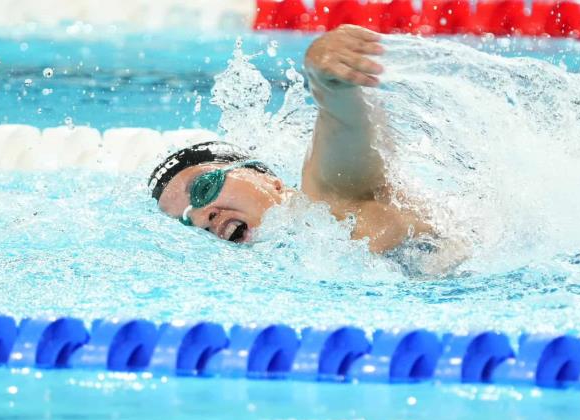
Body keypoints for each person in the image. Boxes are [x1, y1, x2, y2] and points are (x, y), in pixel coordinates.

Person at [149, 25, 437, 256]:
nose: (203, 218)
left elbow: (344, 128)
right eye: (186, 222)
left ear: (264, 177)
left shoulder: (326, 206)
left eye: (203, 189)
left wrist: (327, 83)